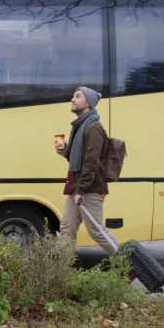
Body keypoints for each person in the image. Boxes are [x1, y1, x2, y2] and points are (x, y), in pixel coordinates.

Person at [55, 87, 117, 254]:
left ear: (88, 103)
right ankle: (61, 272)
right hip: (77, 186)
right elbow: (81, 161)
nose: (72, 99)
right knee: (67, 228)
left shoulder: (93, 127)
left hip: (89, 188)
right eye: (73, 96)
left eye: (77, 96)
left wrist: (81, 190)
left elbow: (91, 162)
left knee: (97, 231)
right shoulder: (79, 126)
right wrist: (67, 152)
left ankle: (129, 263)